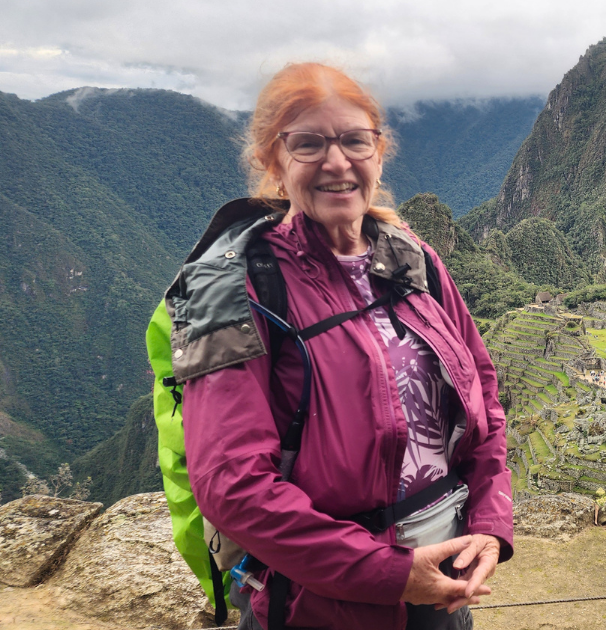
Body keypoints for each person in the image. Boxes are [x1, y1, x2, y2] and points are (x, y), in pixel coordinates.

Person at [169, 63, 512, 629]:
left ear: (379, 151)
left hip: (445, 579)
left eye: (355, 140)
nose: (337, 161)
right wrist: (388, 572)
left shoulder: (414, 260)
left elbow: (483, 399)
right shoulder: (234, 288)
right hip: (318, 603)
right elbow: (231, 484)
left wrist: (490, 525)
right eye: (308, 144)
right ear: (272, 162)